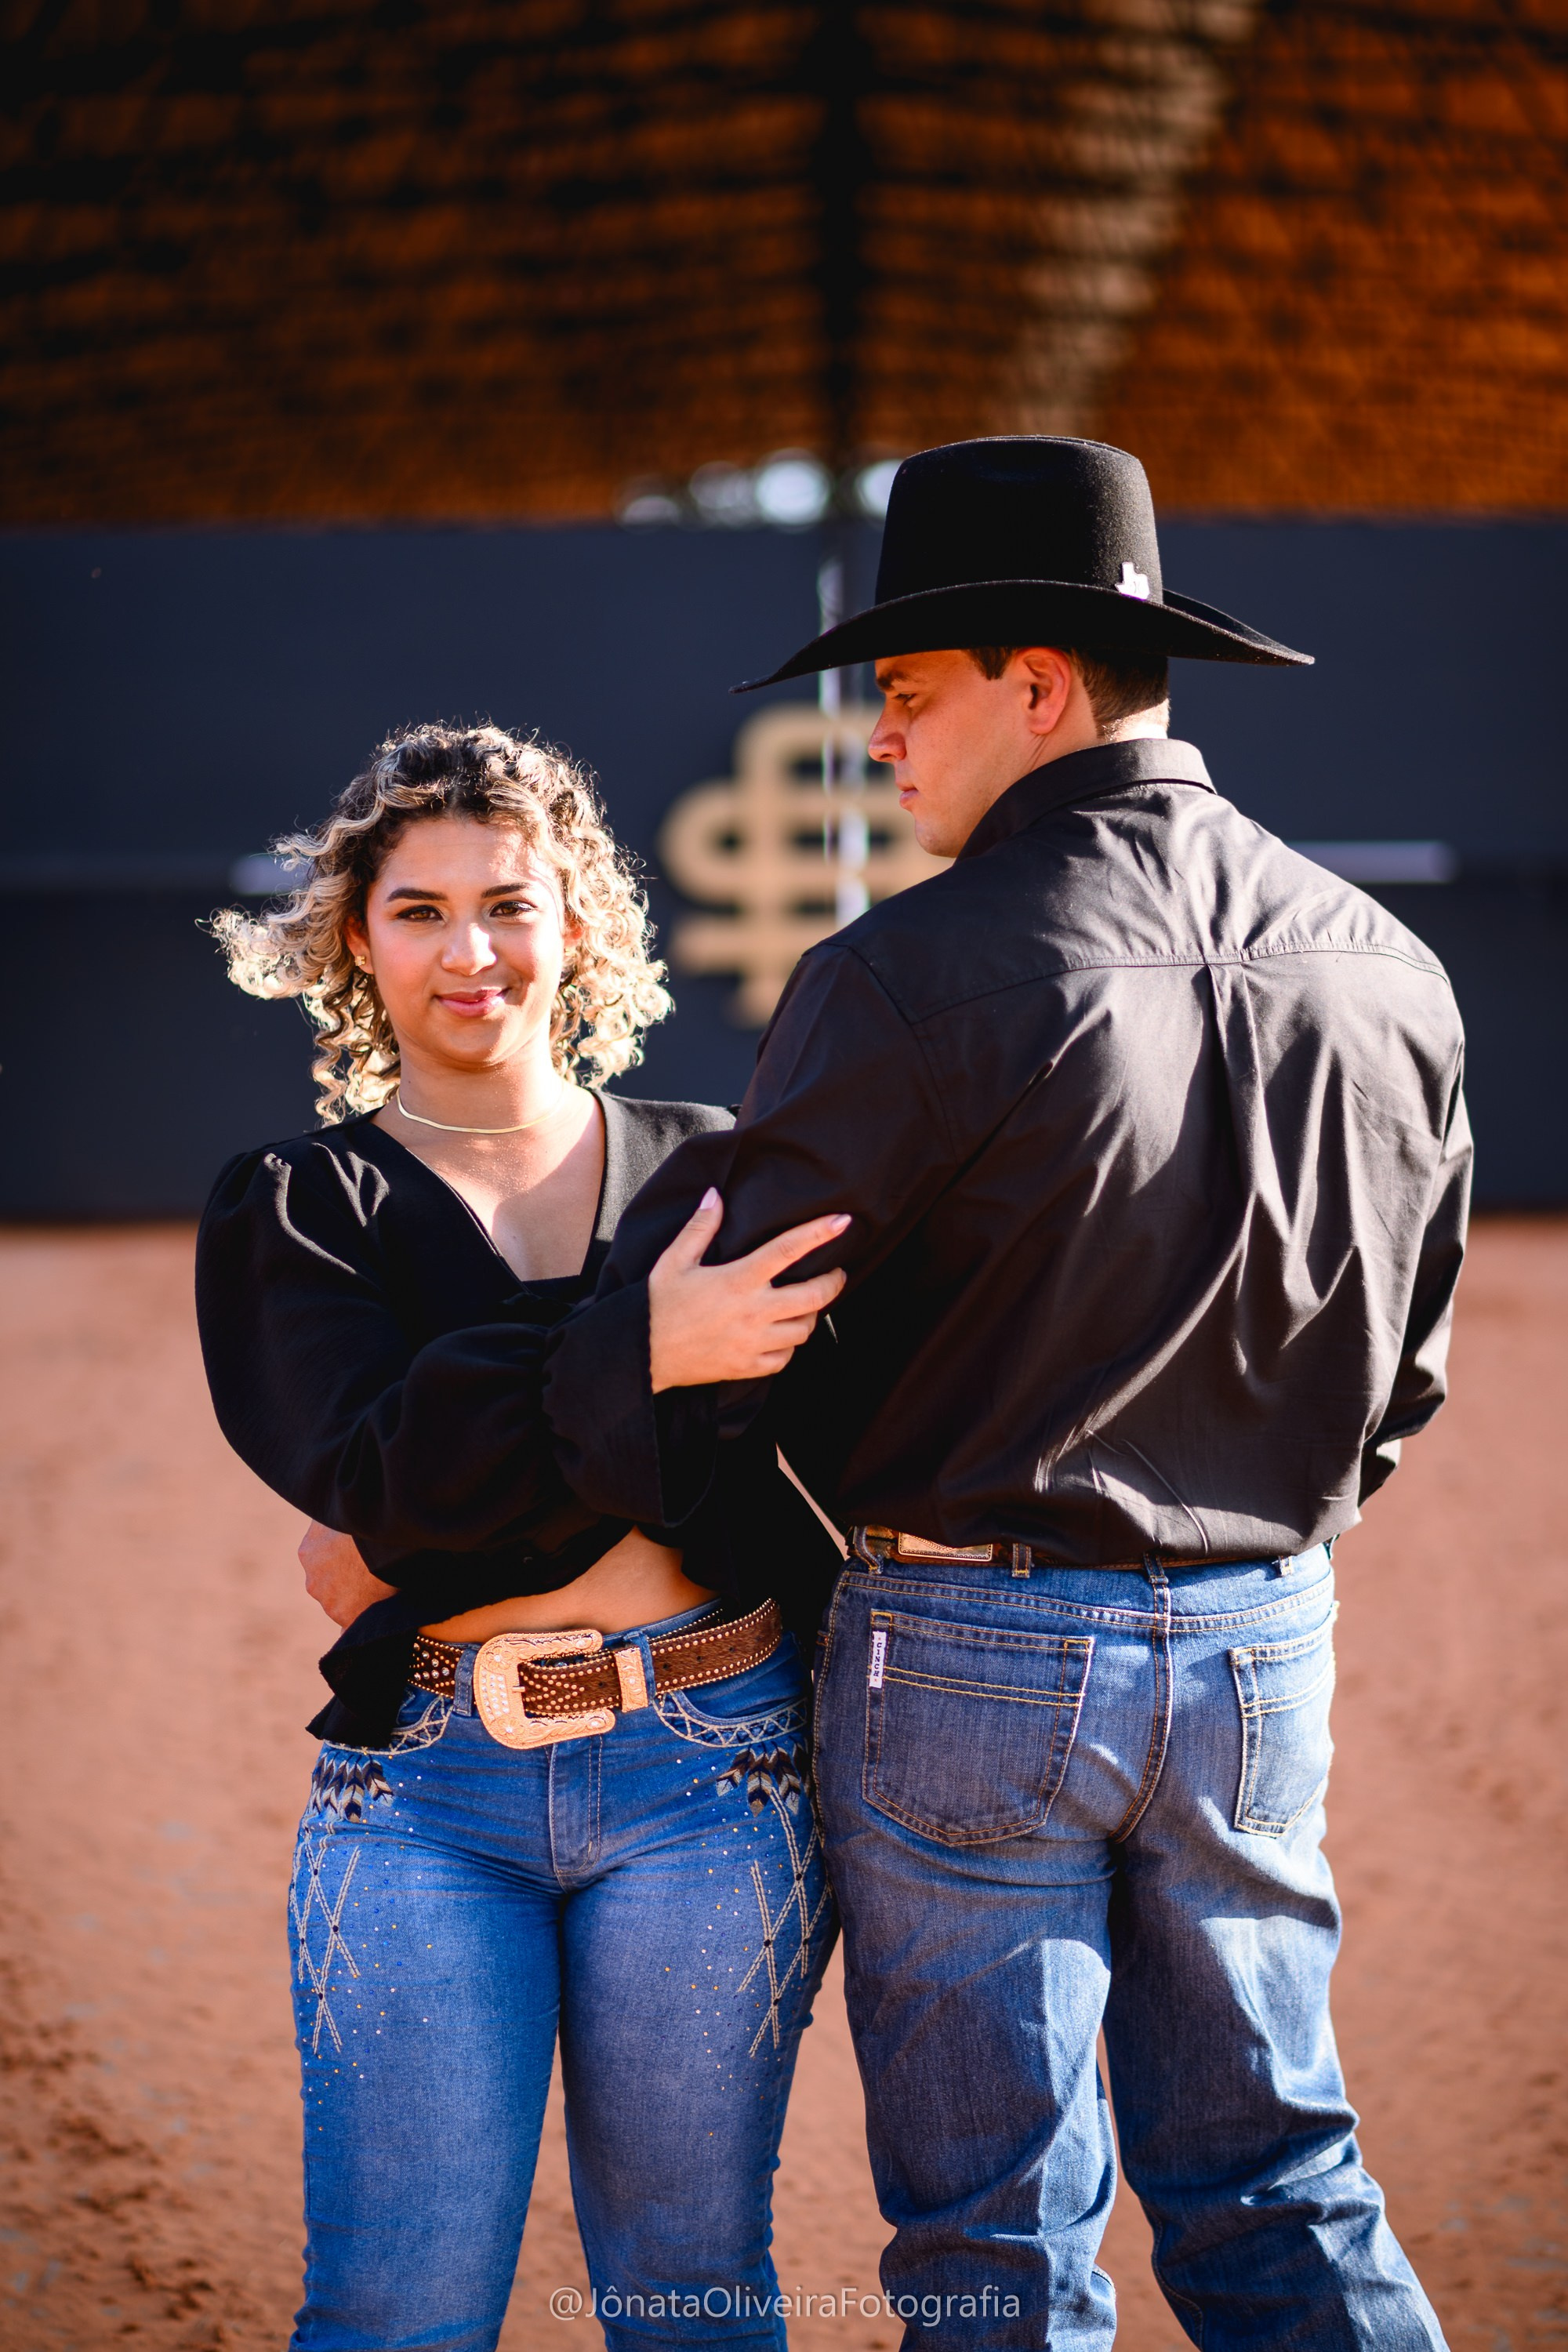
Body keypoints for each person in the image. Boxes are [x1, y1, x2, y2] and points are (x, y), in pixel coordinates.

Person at [542, 439, 1468, 2347]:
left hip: (967, 1636)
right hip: (1260, 1639)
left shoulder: (905, 973)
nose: (878, 743)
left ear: (1034, 686)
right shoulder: (1387, 965)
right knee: (1284, 2179)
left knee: (993, 2249)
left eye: (903, 695)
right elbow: (1406, 1371)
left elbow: (723, 1326)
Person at [194, 723, 848, 2352]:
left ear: (579, 924)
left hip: (715, 1775)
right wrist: (641, 1360)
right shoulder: (296, 1203)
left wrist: (450, 1492)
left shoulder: (706, 1170)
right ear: (353, 936)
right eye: (417, 911)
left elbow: (746, 1476)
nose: (470, 952)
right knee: (395, 2313)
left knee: (693, 2299)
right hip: (427, 1791)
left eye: (509, 903)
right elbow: (380, 1487)